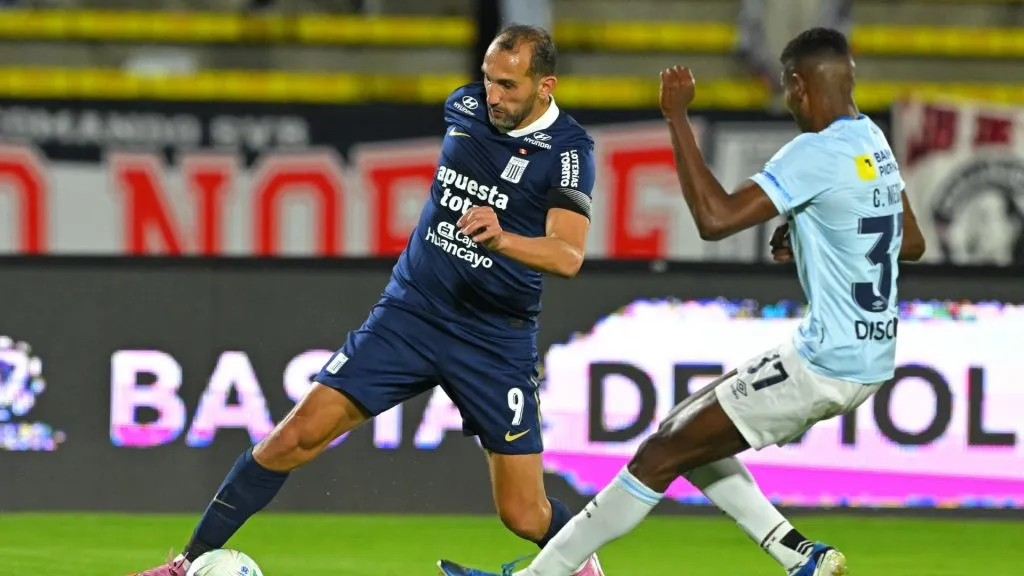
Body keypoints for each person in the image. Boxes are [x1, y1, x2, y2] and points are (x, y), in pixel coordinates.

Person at [437, 27, 926, 576]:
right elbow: (909, 240)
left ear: (796, 85)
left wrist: (676, 118)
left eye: (787, 92)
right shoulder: (871, 140)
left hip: (824, 362)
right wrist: (812, 228)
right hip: (867, 355)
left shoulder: (813, 153)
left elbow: (715, 219)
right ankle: (798, 556)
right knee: (686, 435)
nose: (789, 103)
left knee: (660, 455)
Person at [131, 24, 605, 576]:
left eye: (508, 85)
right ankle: (185, 564)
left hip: (493, 338)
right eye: (487, 80)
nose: (492, 96)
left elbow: (568, 255)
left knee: (523, 513)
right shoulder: (465, 107)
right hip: (411, 314)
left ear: (545, 86)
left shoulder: (569, 152)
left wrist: (502, 239)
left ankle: (582, 566)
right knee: (294, 437)